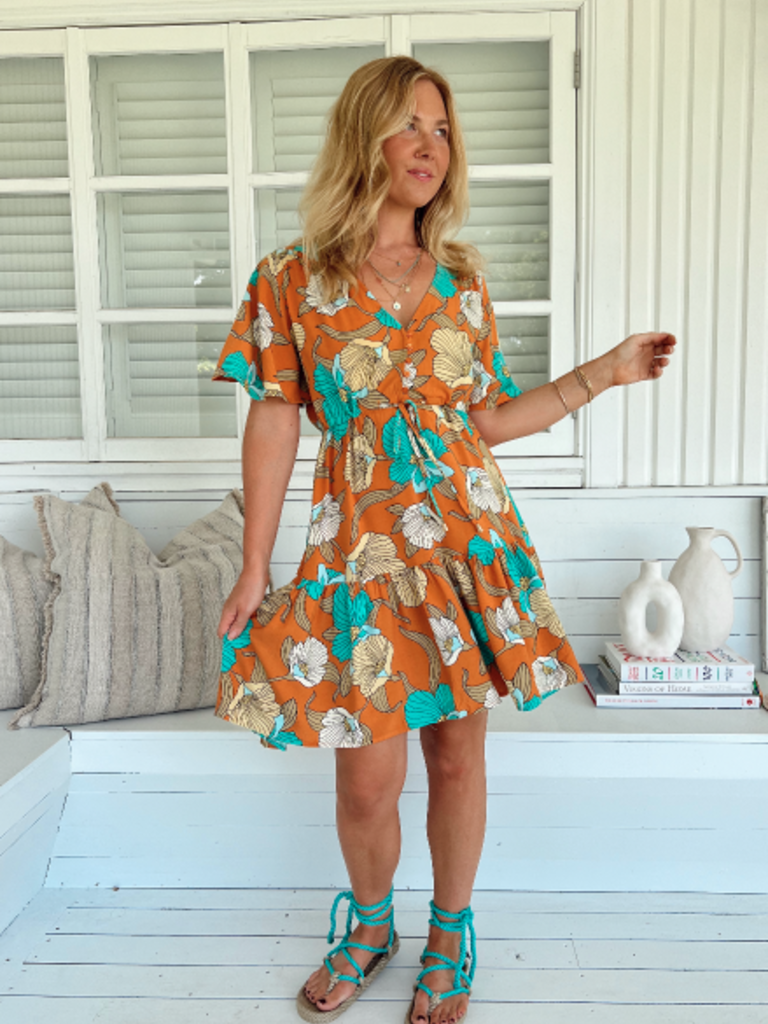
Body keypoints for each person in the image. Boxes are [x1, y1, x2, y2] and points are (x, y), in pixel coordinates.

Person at [212, 56, 675, 1024]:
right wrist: (256, 563)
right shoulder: (291, 279)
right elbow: (275, 416)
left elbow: (486, 422)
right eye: (410, 125)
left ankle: (452, 932)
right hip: (360, 550)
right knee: (367, 777)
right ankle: (371, 925)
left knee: (458, 758)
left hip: (468, 543)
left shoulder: (462, 281)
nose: (431, 146)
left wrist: (605, 371)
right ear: (364, 138)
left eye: (444, 129)